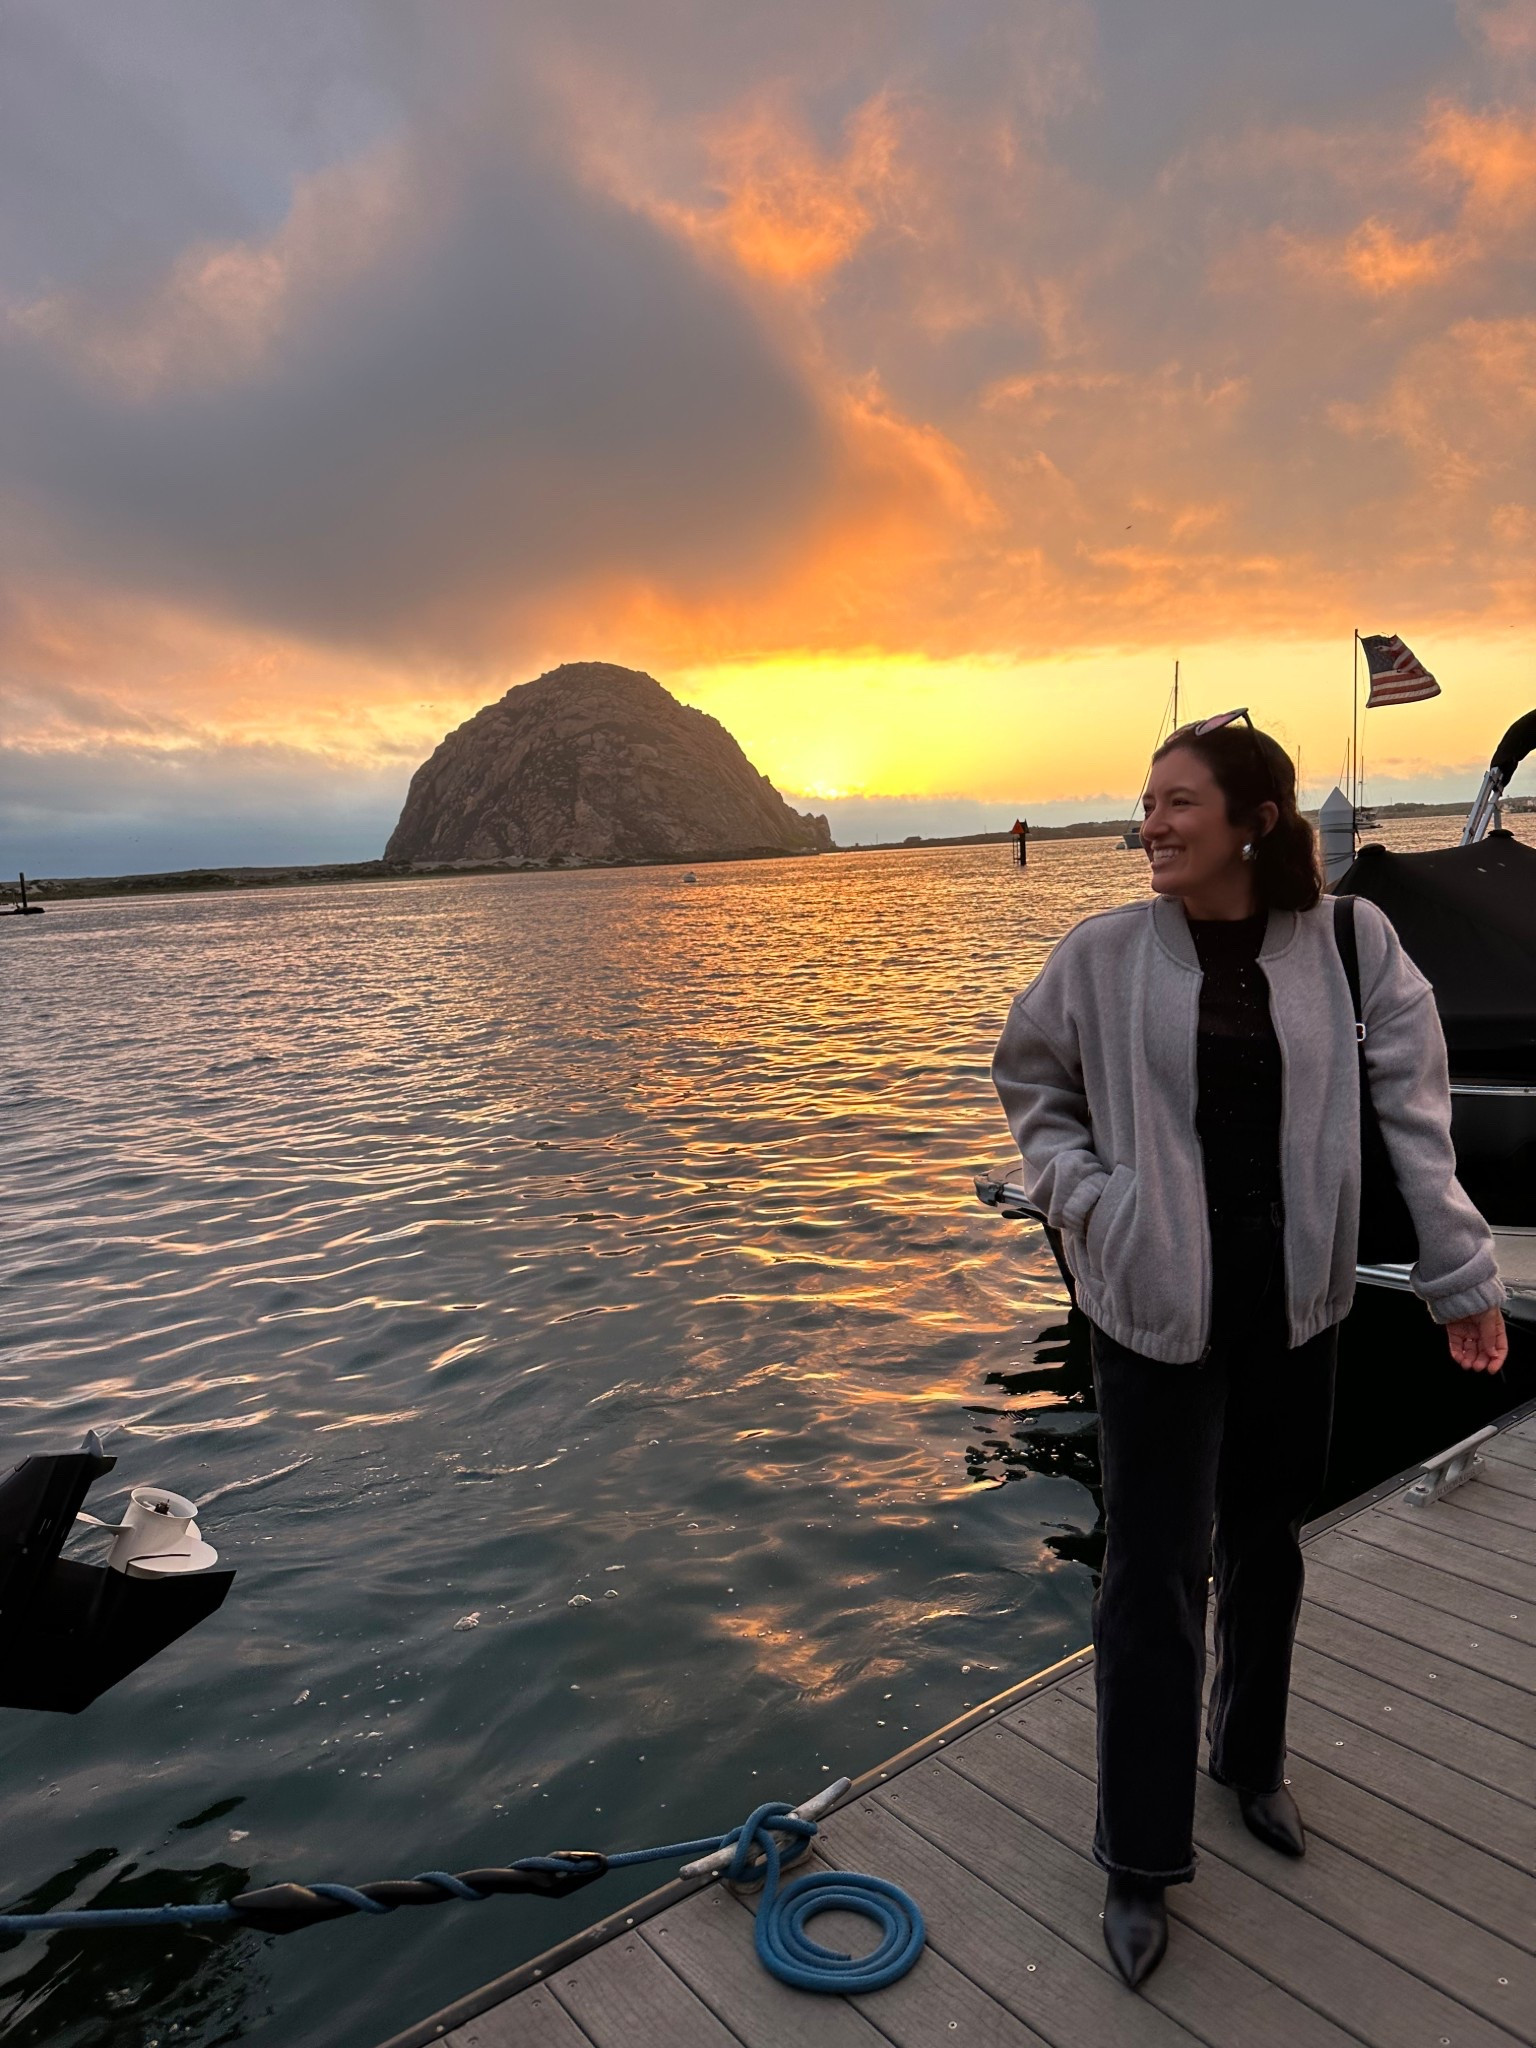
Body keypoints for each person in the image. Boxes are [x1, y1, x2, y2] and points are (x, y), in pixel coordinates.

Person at [990, 711, 1506, 1990]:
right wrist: (1085, 1194)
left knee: (1268, 1542)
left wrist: (1459, 1273)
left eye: (1178, 801)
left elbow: (1417, 1114)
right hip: (1153, 1307)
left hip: (1296, 1303)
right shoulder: (1102, 954)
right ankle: (1140, 1849)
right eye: (1147, 800)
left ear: (1254, 819)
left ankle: (1251, 1761)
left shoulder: (1349, 940)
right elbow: (1029, 1079)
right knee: (1150, 1577)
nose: (1151, 823)